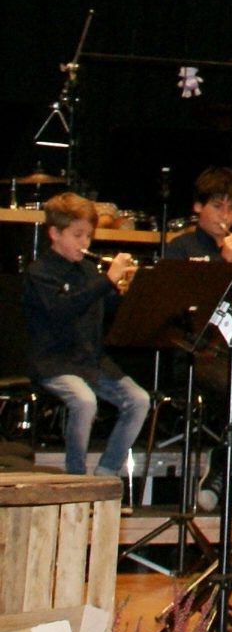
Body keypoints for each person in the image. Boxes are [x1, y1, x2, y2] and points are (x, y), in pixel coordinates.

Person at [25, 192, 150, 480]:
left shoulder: (88, 271)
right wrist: (106, 281)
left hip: (90, 360)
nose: (85, 243)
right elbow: (61, 310)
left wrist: (128, 293)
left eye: (88, 236)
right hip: (54, 362)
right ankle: (76, 477)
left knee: (139, 400)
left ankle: (107, 470)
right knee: (85, 402)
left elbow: (104, 312)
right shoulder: (40, 272)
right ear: (54, 233)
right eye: (78, 235)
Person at [161, 167, 232, 265]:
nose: (225, 216)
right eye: (217, 206)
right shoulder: (180, 247)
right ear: (198, 206)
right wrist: (224, 261)